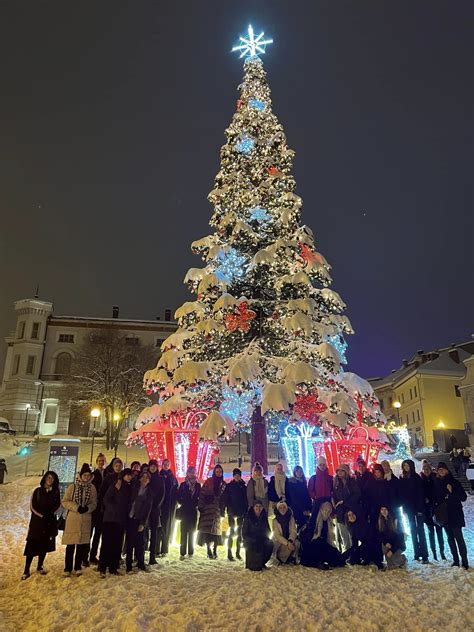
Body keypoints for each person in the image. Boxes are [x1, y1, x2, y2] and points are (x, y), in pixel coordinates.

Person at [22, 471, 60, 580]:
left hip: (49, 523)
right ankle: (26, 569)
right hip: (37, 523)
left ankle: (40, 565)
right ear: (44, 478)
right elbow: (33, 506)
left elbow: (58, 505)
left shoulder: (55, 492)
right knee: (32, 545)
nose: (50, 480)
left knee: (44, 545)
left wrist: (51, 514)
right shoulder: (37, 491)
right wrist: (42, 516)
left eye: (52, 478)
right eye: (48, 477)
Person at [62, 463, 97, 577]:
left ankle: (77, 566)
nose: (86, 477)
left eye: (88, 475)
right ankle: (67, 568)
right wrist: (76, 507)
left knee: (81, 545)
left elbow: (94, 502)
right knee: (71, 545)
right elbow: (65, 501)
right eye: (84, 475)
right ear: (80, 475)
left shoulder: (92, 488)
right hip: (73, 519)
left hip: (86, 518)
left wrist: (88, 508)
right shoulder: (73, 487)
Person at [433, 462, 469, 569]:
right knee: (450, 538)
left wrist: (452, 491)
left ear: (447, 470)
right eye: (439, 470)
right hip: (445, 516)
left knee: (459, 538)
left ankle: (465, 561)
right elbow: (436, 499)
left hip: (455, 514)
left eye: (443, 469)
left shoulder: (454, 482)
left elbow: (463, 497)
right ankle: (456, 560)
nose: (441, 471)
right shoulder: (437, 483)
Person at [99, 468, 133, 577]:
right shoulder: (116, 485)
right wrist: (113, 509)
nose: (128, 477)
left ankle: (113, 567)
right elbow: (106, 499)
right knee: (106, 543)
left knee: (117, 544)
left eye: (130, 475)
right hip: (110, 518)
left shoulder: (129, 487)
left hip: (121, 520)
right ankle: (103, 567)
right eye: (127, 475)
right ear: (123, 476)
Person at [299, 499, 345, 569]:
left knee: (340, 560)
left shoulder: (329, 521)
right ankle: (318, 562)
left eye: (329, 510)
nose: (327, 512)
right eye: (325, 509)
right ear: (321, 509)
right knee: (320, 542)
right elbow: (309, 537)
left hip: (324, 544)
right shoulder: (314, 520)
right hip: (313, 545)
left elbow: (329, 539)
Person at [398, 459, 428, 563]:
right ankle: (416, 553)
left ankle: (424, 555)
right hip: (409, 509)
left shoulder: (417, 478)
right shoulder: (402, 478)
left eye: (407, 466)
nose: (406, 468)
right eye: (404, 466)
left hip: (418, 508)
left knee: (421, 531)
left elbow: (420, 495)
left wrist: (420, 509)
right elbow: (401, 494)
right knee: (413, 530)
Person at [126, 470, 153, 572]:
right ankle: (128, 565)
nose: (144, 479)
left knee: (140, 543)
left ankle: (140, 563)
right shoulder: (134, 488)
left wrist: (143, 523)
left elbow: (148, 509)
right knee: (129, 543)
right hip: (130, 517)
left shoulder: (149, 492)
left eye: (147, 477)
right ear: (140, 478)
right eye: (143, 477)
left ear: (149, 480)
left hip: (140, 520)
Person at [197, 464, 226, 559]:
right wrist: (201, 505)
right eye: (217, 471)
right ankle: (208, 549)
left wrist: (223, 509)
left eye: (220, 472)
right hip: (207, 509)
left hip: (217, 510)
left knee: (216, 531)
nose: (218, 473)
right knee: (207, 531)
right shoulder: (208, 482)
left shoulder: (223, 484)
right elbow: (202, 493)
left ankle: (215, 550)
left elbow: (224, 498)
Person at [420, 461, 445, 561]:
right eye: (424, 468)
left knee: (439, 532)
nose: (426, 470)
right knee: (431, 532)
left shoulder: (435, 477)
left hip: (436, 509)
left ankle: (442, 552)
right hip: (427, 510)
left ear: (430, 468)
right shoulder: (420, 479)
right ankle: (434, 552)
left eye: (427, 468)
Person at [332, 463, 360, 552]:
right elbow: (334, 496)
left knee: (351, 532)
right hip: (339, 511)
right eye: (338, 471)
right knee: (343, 533)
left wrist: (345, 502)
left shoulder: (351, 482)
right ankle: (346, 551)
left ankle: (352, 552)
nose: (340, 473)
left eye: (342, 471)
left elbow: (357, 494)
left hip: (349, 510)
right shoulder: (335, 482)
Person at [176, 466, 201, 560]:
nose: (192, 474)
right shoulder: (183, 484)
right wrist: (181, 501)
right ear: (187, 473)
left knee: (192, 531)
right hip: (184, 510)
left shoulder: (198, 485)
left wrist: (197, 504)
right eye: (190, 472)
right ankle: (182, 552)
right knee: (183, 531)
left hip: (193, 511)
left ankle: (191, 551)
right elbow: (178, 495)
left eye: (194, 472)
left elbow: (199, 496)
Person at [223, 467, 247, 561]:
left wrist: (245, 510)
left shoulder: (243, 487)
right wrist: (227, 509)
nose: (237, 477)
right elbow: (226, 499)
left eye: (238, 475)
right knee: (232, 532)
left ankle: (237, 552)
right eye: (235, 475)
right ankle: (229, 552)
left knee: (240, 533)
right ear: (233, 476)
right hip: (232, 512)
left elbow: (245, 500)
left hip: (241, 512)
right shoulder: (229, 486)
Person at [242, 500, 273, 571]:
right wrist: (253, 539)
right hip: (250, 540)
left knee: (270, 544)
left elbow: (267, 529)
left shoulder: (264, 516)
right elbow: (244, 533)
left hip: (261, 539)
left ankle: (262, 562)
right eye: (256, 506)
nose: (258, 508)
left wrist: (266, 538)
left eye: (260, 506)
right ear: (253, 507)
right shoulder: (248, 517)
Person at [156, 459, 178, 557]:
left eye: (167, 464)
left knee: (167, 527)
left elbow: (175, 490)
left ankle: (164, 549)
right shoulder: (158, 475)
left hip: (169, 507)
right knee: (158, 528)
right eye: (164, 464)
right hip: (160, 506)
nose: (166, 466)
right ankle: (156, 549)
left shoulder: (172, 477)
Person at [89, 452, 107, 564]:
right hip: (94, 508)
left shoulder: (107, 474)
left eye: (103, 461)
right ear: (97, 462)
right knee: (89, 533)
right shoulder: (93, 475)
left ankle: (93, 555)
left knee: (98, 534)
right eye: (99, 461)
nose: (101, 462)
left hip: (103, 508)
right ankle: (84, 556)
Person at [147, 459, 165, 565]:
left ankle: (152, 557)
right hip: (145, 510)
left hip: (154, 510)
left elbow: (162, 494)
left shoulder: (160, 479)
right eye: (151, 466)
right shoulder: (146, 477)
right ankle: (139, 556)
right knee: (143, 534)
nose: (152, 468)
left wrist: (156, 505)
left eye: (154, 466)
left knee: (154, 534)